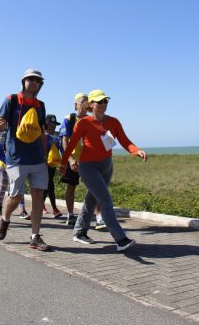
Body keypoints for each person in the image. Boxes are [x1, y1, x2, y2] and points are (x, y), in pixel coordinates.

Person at [59, 89, 147, 252]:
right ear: (91, 104)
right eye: (99, 102)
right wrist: (64, 163)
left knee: (92, 200)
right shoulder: (83, 122)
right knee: (105, 200)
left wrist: (136, 150)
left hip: (106, 166)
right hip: (88, 167)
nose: (103, 104)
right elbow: (71, 144)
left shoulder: (113, 122)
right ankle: (120, 239)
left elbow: (124, 140)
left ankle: (79, 232)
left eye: (106, 101)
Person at [0, 68, 51, 251]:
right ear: (23, 81)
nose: (34, 82)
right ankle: (5, 219)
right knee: (16, 195)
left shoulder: (40, 105)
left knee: (38, 195)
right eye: (30, 79)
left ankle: (35, 237)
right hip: (16, 157)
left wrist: (45, 154)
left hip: (36, 159)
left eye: (37, 80)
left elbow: (42, 132)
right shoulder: (11, 100)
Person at [58, 93, 88, 226]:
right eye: (82, 102)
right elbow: (64, 140)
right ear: (76, 104)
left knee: (95, 188)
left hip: (88, 160)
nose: (85, 104)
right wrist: (69, 159)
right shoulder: (69, 118)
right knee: (71, 188)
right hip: (74, 159)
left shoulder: (91, 119)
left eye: (87, 102)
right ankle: (70, 215)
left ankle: (98, 218)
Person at [43, 114, 64, 218]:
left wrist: (63, 162)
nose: (53, 127)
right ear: (45, 125)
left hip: (52, 164)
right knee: (48, 185)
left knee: (48, 185)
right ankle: (54, 208)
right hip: (42, 165)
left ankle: (42, 207)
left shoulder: (56, 136)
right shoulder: (42, 135)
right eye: (51, 125)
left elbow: (61, 148)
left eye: (54, 125)